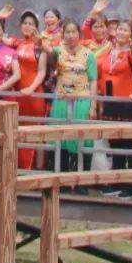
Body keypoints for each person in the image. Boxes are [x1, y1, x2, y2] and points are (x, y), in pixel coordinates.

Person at [96, 20, 132, 192]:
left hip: (127, 103)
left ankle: (131, 185)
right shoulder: (108, 52)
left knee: (128, 144)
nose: (121, 32)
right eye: (119, 29)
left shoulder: (131, 53)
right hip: (110, 103)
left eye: (125, 30)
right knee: (114, 143)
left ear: (130, 34)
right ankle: (116, 181)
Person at [43, 20, 97, 172]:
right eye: (68, 32)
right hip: (61, 100)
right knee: (60, 138)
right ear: (63, 34)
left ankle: (81, 181)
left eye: (74, 32)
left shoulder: (89, 55)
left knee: (81, 138)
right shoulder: (58, 51)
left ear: (79, 34)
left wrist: (93, 106)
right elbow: (46, 50)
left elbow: (93, 81)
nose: (71, 35)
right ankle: (60, 178)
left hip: (82, 101)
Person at [11, 10, 49, 169]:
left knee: (36, 132)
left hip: (34, 94)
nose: (27, 26)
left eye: (31, 24)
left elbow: (42, 71)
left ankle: (37, 171)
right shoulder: (16, 43)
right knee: (18, 130)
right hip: (19, 94)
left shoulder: (40, 45)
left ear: (36, 27)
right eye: (25, 23)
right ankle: (19, 169)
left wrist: (32, 88)